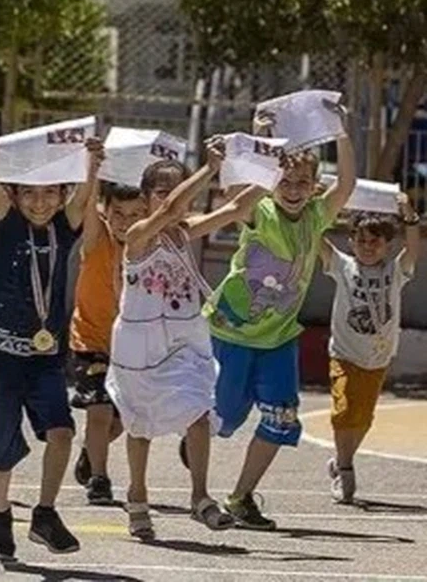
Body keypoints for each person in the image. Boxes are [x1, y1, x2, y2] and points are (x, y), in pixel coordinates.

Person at [201, 105, 356, 530]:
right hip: (233, 330)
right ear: (271, 185)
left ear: (313, 187)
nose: (292, 189)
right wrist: (262, 141)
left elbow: (347, 184)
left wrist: (339, 132)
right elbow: (242, 189)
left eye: (302, 183)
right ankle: (198, 437)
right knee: (226, 418)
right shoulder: (259, 210)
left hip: (279, 337)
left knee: (281, 417)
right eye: (284, 181)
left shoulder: (317, 215)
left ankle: (240, 496)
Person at [0, 136, 103, 560]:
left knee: (63, 433)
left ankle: (44, 514)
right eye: (30, 193)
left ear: (62, 195)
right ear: (16, 195)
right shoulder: (7, 223)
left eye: (50, 193)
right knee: (1, 453)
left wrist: (92, 162)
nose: (40, 202)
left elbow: (84, 198)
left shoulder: (66, 229)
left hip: (46, 358)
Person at [105, 142, 241, 539]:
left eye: (175, 188)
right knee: (140, 425)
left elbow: (236, 211)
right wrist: (208, 169)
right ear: (146, 199)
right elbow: (168, 212)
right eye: (161, 190)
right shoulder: (138, 234)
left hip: (182, 339)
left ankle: (200, 498)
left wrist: (267, 169)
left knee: (199, 412)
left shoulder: (183, 234)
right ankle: (137, 495)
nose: (170, 198)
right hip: (140, 343)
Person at [319, 198, 419, 503]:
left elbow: (413, 249)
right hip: (345, 353)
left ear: (388, 244)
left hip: (378, 356)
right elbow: (315, 238)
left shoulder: (395, 271)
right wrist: (321, 207)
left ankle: (339, 461)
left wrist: (410, 218)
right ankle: (346, 469)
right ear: (350, 242)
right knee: (344, 410)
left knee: (363, 418)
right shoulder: (342, 265)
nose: (367, 246)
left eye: (375, 241)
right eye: (360, 240)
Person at [68, 179, 146, 505]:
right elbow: (86, 205)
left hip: (129, 345)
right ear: (105, 211)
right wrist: (93, 169)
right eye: (118, 213)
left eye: (134, 214)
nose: (125, 222)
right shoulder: (97, 237)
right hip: (90, 340)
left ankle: (90, 452)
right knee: (98, 413)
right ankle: (99, 479)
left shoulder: (148, 243)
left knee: (118, 423)